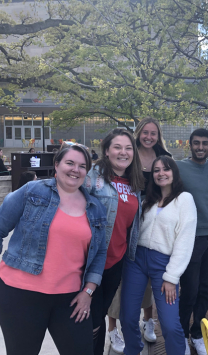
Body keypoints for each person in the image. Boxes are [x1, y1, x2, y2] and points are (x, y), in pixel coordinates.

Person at [0, 143, 107, 355]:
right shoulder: (31, 192)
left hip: (70, 299)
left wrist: (89, 291)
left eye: (82, 166)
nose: (76, 169)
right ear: (56, 165)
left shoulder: (95, 207)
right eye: (70, 163)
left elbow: (100, 253)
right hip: (20, 294)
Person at [106, 117, 172, 346]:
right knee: (120, 279)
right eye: (145, 132)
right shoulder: (129, 156)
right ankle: (113, 329)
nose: (149, 137)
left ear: (158, 135)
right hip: (127, 219)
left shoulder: (164, 158)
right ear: (138, 133)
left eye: (153, 133)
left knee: (145, 277)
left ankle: (148, 320)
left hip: (153, 223)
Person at [120, 156, 197, 355]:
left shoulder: (184, 199)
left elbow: (185, 241)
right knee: (127, 316)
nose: (161, 173)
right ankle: (133, 349)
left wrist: (172, 277)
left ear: (174, 172)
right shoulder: (147, 200)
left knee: (170, 324)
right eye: (156, 170)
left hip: (164, 264)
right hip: (136, 260)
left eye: (166, 169)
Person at [85, 129, 145, 355]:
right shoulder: (92, 177)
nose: (124, 152)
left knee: (98, 317)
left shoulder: (134, 182)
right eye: (118, 147)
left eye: (128, 148)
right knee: (88, 320)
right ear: (107, 150)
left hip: (116, 262)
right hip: (90, 263)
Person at [178, 128, 208, 355]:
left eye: (205, 143)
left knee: (205, 290)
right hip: (191, 239)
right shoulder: (179, 167)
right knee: (190, 291)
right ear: (190, 145)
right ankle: (182, 335)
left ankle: (197, 333)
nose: (201, 147)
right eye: (196, 143)